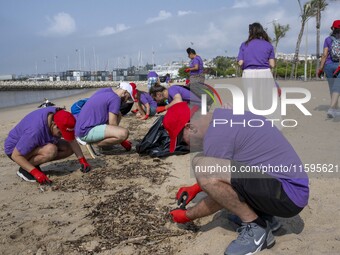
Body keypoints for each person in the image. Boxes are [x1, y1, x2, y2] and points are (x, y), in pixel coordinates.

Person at [163, 102, 309, 255]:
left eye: (181, 140)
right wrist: (195, 188)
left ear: (190, 127)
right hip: (285, 188)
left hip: (288, 196)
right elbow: (227, 173)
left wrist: (187, 215)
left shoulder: (217, 136)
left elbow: (218, 193)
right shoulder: (223, 118)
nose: (185, 146)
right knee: (202, 162)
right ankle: (266, 218)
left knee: (203, 167)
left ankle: (257, 228)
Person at [4, 108, 91, 184]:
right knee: (51, 150)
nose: (62, 136)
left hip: (36, 143)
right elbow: (15, 155)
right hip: (15, 150)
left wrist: (82, 160)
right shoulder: (35, 131)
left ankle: (33, 164)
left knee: (68, 148)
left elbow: (72, 141)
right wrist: (35, 173)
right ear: (54, 125)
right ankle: (24, 170)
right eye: (61, 133)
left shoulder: (59, 115)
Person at [237, 22, 281, 129]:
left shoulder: (244, 45)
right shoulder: (268, 45)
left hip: (248, 73)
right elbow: (272, 64)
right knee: (266, 100)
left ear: (250, 32)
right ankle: (270, 125)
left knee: (250, 100)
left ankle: (251, 125)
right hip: (265, 73)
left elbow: (240, 63)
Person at [75, 83, 133, 152]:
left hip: (80, 128)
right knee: (124, 134)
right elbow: (113, 124)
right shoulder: (115, 99)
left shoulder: (105, 91)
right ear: (125, 92)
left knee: (118, 114)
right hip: (86, 131)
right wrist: (122, 141)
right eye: (128, 97)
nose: (126, 100)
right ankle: (95, 145)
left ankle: (105, 146)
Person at [318, 20, 340, 118]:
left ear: (333, 28)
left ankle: (334, 109)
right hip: (339, 66)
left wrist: (321, 68)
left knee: (333, 88)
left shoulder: (328, 39)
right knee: (337, 87)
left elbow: (324, 55)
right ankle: (332, 109)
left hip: (329, 66)